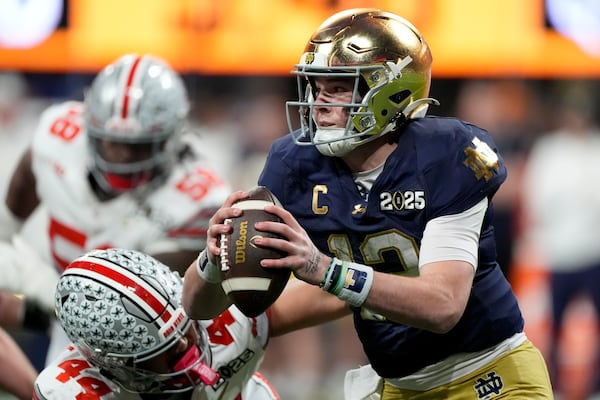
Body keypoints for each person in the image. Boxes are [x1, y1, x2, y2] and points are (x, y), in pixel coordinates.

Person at [182, 8, 553, 399]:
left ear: (392, 94)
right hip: (399, 386)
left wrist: (322, 268)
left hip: (489, 374)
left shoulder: (443, 154)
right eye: (315, 85)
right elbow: (201, 305)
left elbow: (443, 305)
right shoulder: (296, 165)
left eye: (339, 87)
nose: (319, 103)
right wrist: (214, 259)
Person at [0, 53, 231, 365]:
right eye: (112, 142)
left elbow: (137, 310)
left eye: (137, 145)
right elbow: (28, 171)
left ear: (171, 138)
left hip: (148, 344)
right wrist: (6, 229)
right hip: (68, 313)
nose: (122, 157)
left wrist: (43, 289)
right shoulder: (58, 137)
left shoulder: (198, 200)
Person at [34, 247, 279, 400]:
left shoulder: (221, 321)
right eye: (167, 348)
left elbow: (315, 300)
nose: (185, 344)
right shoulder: (71, 391)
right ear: (116, 366)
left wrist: (317, 269)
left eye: (185, 326)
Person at [519, 80, 600, 398]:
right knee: (556, 321)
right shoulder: (549, 149)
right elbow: (538, 198)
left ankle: (595, 383)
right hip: (560, 251)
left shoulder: (596, 147)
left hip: (594, 249)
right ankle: (552, 382)